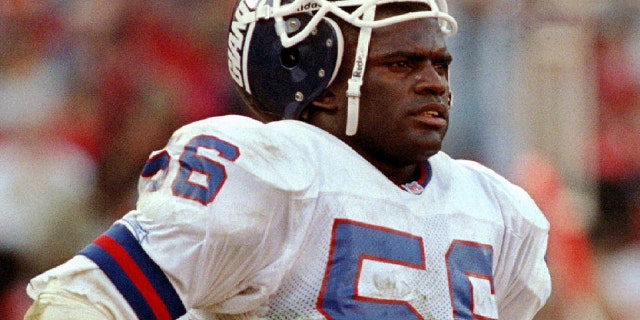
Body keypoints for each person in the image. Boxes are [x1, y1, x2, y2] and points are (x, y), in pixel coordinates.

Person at [24, 0, 551, 319]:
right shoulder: (273, 172)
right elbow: (87, 298)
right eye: (402, 63)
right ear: (319, 84)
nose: (434, 82)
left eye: (440, 63)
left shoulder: (497, 210)